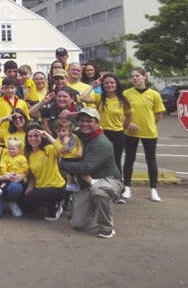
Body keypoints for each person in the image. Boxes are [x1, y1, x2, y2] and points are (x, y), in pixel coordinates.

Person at [59, 107, 123, 239]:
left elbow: (85, 167)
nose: (84, 124)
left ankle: (107, 228)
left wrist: (61, 163)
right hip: (87, 184)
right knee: (78, 224)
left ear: (97, 122)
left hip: (108, 180)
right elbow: (62, 127)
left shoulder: (102, 143)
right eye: (81, 120)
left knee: (99, 191)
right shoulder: (78, 134)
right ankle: (96, 208)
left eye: (89, 121)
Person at [122, 68, 165, 203]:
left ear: (144, 77)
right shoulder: (126, 94)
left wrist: (149, 124)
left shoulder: (154, 94)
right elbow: (121, 113)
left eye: (138, 76)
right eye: (132, 76)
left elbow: (158, 114)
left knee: (151, 161)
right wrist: (128, 124)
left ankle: (153, 189)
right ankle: (127, 187)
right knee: (129, 159)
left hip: (149, 133)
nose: (135, 78)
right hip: (130, 132)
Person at [81, 73, 131, 176]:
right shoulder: (99, 98)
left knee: (116, 160)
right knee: (100, 160)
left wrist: (122, 128)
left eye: (112, 83)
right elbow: (83, 97)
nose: (109, 85)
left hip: (118, 134)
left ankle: (117, 184)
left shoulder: (123, 100)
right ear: (103, 85)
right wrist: (93, 86)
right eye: (106, 83)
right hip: (102, 134)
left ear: (116, 84)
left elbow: (129, 116)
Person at [21, 124, 66, 221]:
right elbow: (32, 178)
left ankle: (56, 204)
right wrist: (27, 194)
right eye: (30, 136)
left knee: (36, 197)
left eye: (36, 136)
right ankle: (49, 203)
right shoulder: (28, 155)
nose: (33, 139)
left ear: (41, 137)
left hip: (56, 187)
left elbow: (63, 150)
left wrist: (47, 135)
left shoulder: (49, 149)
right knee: (24, 207)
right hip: (40, 187)